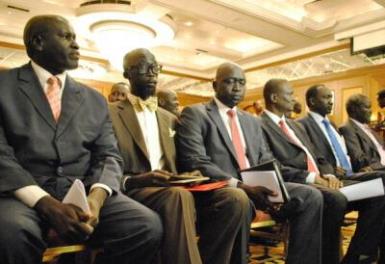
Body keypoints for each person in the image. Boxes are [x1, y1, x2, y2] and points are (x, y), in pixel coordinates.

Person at [0, 15, 162, 264]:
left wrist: (96, 199)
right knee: (11, 234)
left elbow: (108, 155)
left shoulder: (94, 99)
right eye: (66, 37)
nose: (76, 45)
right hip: (20, 194)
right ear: (38, 42)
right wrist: (45, 203)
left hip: (82, 190)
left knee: (146, 225)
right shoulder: (4, 85)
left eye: (75, 38)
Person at [109, 49, 247, 264]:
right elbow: (102, 164)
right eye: (145, 66)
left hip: (174, 187)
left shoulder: (170, 118)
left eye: (157, 67)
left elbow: (185, 161)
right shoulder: (108, 112)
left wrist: (190, 174)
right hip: (132, 189)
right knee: (177, 196)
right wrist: (135, 180)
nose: (154, 72)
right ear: (127, 73)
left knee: (234, 198)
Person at [176, 62, 323, 264]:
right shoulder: (196, 114)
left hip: (257, 187)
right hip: (221, 189)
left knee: (311, 196)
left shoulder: (252, 120)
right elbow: (195, 160)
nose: (237, 88)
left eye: (241, 83)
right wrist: (241, 185)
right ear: (214, 85)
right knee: (239, 198)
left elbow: (264, 159)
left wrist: (275, 187)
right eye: (229, 82)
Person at [260, 79, 385, 264]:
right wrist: (313, 177)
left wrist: (328, 174)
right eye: (290, 94)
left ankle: (357, 258)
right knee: (336, 199)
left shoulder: (295, 126)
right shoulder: (259, 125)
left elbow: (317, 156)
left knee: (378, 191)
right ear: (274, 98)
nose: (294, 99)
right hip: (299, 185)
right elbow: (270, 164)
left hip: (325, 181)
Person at [299, 84, 385, 263]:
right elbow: (310, 155)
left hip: (348, 175)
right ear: (312, 101)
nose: (331, 101)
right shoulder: (302, 125)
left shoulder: (330, 124)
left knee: (381, 186)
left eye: (332, 98)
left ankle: (359, 254)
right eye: (326, 98)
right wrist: (329, 169)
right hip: (332, 180)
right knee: (381, 186)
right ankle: (360, 256)